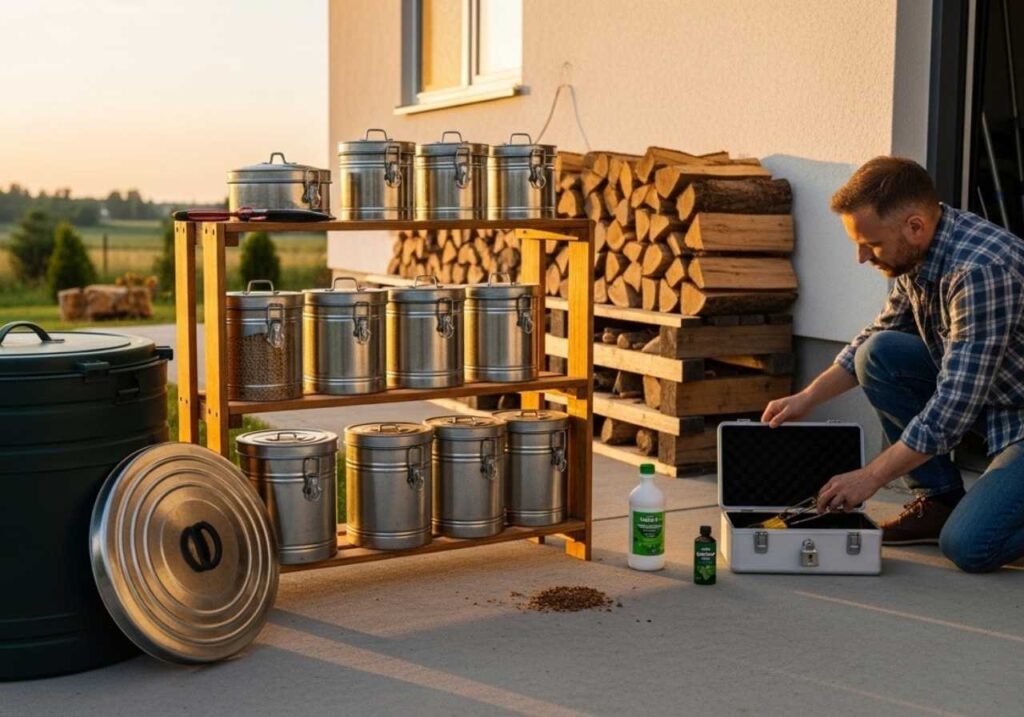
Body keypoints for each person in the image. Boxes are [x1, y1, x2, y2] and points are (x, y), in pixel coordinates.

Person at [762, 156, 1024, 572]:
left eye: (871, 243)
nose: (861, 256)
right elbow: (875, 335)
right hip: (996, 399)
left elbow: (952, 408)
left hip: (1012, 412)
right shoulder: (919, 250)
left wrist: (870, 477)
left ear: (914, 226)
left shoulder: (980, 270)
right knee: (879, 353)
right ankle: (939, 501)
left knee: (969, 545)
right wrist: (807, 398)